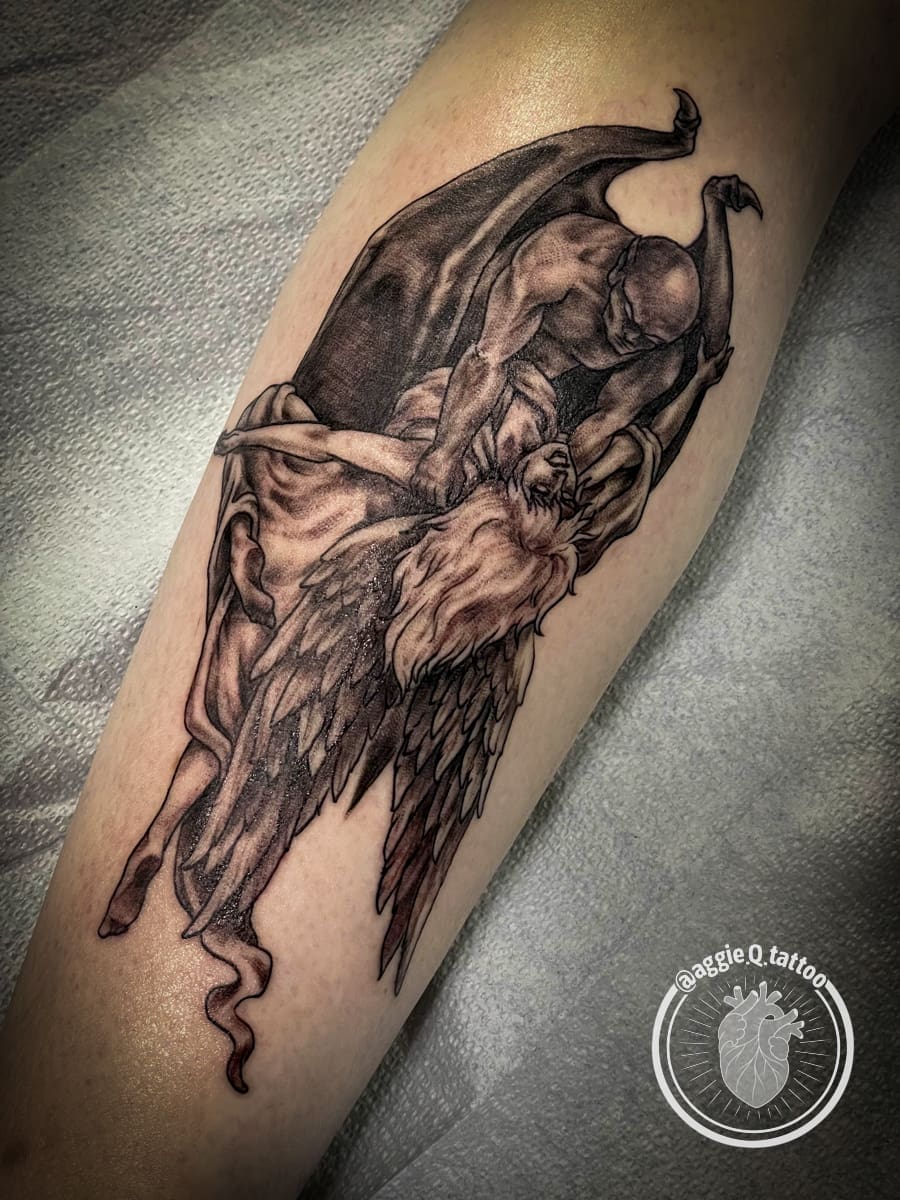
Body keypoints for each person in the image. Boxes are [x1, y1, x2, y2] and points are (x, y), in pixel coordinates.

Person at [1, 1, 896, 1196]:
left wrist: (717, 220)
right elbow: (479, 362)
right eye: (624, 321)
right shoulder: (552, 261)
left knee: (272, 707)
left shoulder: (619, 394)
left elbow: (690, 369)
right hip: (457, 415)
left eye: (643, 336)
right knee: (261, 663)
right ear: (612, 273)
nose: (622, 345)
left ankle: (188, 855)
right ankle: (183, 857)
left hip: (477, 486)